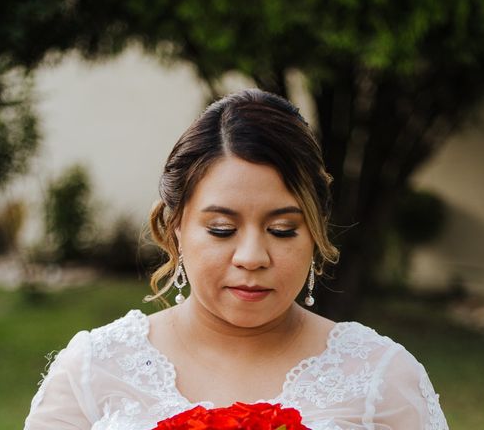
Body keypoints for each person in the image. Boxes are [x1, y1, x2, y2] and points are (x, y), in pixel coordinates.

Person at [24, 89, 449, 430]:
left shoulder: (382, 379)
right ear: (175, 227)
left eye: (282, 230)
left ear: (316, 231)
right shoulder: (94, 368)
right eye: (222, 230)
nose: (251, 257)